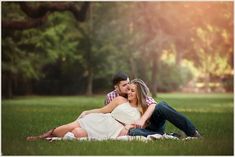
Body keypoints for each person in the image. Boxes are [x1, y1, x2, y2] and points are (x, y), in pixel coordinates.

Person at [26, 79, 149, 141]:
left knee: (77, 132)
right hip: (101, 121)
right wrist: (86, 112)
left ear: (139, 93)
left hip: (114, 130)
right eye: (128, 90)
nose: (129, 92)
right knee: (65, 128)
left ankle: (69, 136)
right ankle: (40, 137)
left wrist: (129, 126)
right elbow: (102, 110)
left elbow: (141, 126)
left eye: (132, 91)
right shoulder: (120, 100)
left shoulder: (143, 110)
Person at [105, 72, 201, 138]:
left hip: (152, 122)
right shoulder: (111, 97)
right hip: (136, 129)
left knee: (161, 106)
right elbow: (110, 117)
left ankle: (193, 132)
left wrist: (142, 120)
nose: (128, 87)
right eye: (124, 85)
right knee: (133, 133)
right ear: (117, 87)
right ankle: (166, 135)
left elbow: (153, 104)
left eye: (128, 83)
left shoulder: (135, 90)